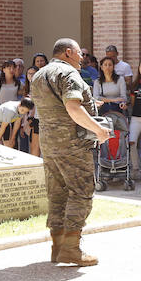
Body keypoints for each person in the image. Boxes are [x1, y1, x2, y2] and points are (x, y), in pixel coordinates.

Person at [31, 38, 111, 266]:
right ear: (68, 52)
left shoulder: (39, 74)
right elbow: (72, 108)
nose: (82, 58)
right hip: (72, 144)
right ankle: (71, 248)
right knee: (81, 191)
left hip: (49, 143)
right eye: (79, 53)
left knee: (57, 194)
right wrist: (98, 130)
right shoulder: (68, 74)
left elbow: (56, 106)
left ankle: (57, 247)